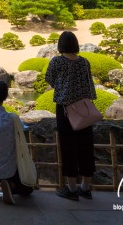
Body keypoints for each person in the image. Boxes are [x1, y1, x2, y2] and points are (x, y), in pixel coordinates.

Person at [44, 30, 97, 201]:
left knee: (68, 147)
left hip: (66, 109)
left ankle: (72, 189)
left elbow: (49, 79)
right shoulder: (84, 62)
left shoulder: (57, 61)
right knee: (86, 146)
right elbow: (89, 83)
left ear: (60, 45)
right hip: (84, 108)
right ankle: (86, 188)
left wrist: (63, 87)